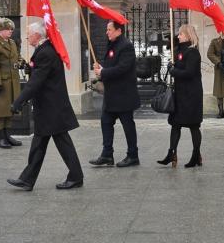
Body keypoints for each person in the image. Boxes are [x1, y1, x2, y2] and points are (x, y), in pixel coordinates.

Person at [7, 21, 83, 191]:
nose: (27, 37)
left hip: (51, 108)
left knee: (61, 144)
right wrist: (29, 68)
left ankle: (76, 177)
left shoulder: (45, 53)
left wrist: (18, 101)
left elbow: (36, 83)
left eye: (29, 33)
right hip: (50, 107)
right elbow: (40, 75)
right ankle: (27, 179)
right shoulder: (44, 50)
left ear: (37, 35)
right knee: (40, 144)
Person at [90, 20, 141, 168]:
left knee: (128, 126)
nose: (107, 32)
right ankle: (107, 154)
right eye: (107, 29)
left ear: (119, 31)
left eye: (109, 29)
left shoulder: (126, 46)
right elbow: (112, 67)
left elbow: (122, 68)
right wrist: (102, 68)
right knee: (105, 122)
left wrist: (104, 72)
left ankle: (133, 155)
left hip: (124, 95)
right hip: (111, 95)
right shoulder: (111, 45)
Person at [158, 24, 204, 168]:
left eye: (181, 34)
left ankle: (196, 155)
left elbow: (189, 73)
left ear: (188, 35)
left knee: (193, 126)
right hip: (180, 94)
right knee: (175, 124)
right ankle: (171, 153)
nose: (178, 36)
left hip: (191, 95)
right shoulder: (180, 50)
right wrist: (173, 65)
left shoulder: (193, 53)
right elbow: (179, 66)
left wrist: (173, 70)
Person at [0, 17, 22, 148]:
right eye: (8, 29)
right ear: (0, 30)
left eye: (11, 29)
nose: (11, 31)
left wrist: (21, 62)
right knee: (0, 111)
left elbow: (16, 57)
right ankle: (1, 137)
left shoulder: (11, 42)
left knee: (9, 110)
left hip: (13, 82)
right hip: (2, 83)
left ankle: (7, 135)